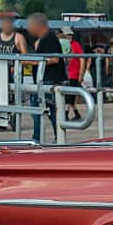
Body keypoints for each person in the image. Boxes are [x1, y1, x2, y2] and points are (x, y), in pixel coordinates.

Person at [24, 13, 67, 142]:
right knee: (49, 112)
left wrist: (34, 62)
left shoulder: (49, 38)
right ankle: (54, 136)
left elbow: (54, 59)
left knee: (44, 111)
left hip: (50, 80)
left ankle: (39, 138)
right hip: (45, 80)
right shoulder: (44, 39)